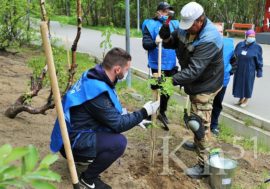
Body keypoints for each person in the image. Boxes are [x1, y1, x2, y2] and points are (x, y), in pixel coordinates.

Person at [50, 48, 160, 189]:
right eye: (127, 69)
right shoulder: (97, 92)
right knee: (118, 142)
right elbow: (118, 124)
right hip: (72, 143)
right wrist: (144, 112)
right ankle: (88, 179)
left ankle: (86, 159)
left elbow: (108, 112)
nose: (127, 73)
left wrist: (136, 119)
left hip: (72, 133)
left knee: (111, 131)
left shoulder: (94, 76)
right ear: (117, 70)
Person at [159, 2, 224, 178]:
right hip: (196, 82)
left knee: (200, 124)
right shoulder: (186, 27)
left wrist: (169, 80)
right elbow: (173, 43)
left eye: (191, 26)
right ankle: (198, 143)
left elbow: (194, 70)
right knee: (198, 123)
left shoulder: (210, 38)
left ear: (200, 20)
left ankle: (205, 166)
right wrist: (166, 38)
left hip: (206, 84)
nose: (186, 30)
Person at [142, 2, 179, 130]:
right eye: (164, 11)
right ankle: (151, 113)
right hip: (156, 63)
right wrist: (155, 42)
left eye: (168, 12)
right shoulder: (149, 24)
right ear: (158, 12)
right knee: (156, 88)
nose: (166, 14)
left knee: (167, 90)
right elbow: (146, 44)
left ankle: (162, 112)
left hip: (171, 63)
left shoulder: (175, 24)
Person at [210, 24, 236, 136]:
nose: (219, 34)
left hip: (222, 81)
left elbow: (234, 61)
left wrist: (230, 72)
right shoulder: (206, 43)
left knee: (217, 104)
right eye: (217, 32)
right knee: (204, 103)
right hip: (208, 81)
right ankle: (201, 124)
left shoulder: (229, 44)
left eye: (221, 32)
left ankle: (214, 125)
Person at [233, 29, 263, 108]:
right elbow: (234, 55)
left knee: (247, 84)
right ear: (246, 37)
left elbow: (259, 60)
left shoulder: (257, 47)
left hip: (249, 69)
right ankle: (240, 99)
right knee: (239, 84)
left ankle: (246, 100)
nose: (252, 38)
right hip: (239, 68)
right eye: (250, 36)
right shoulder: (240, 44)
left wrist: (259, 71)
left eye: (253, 36)